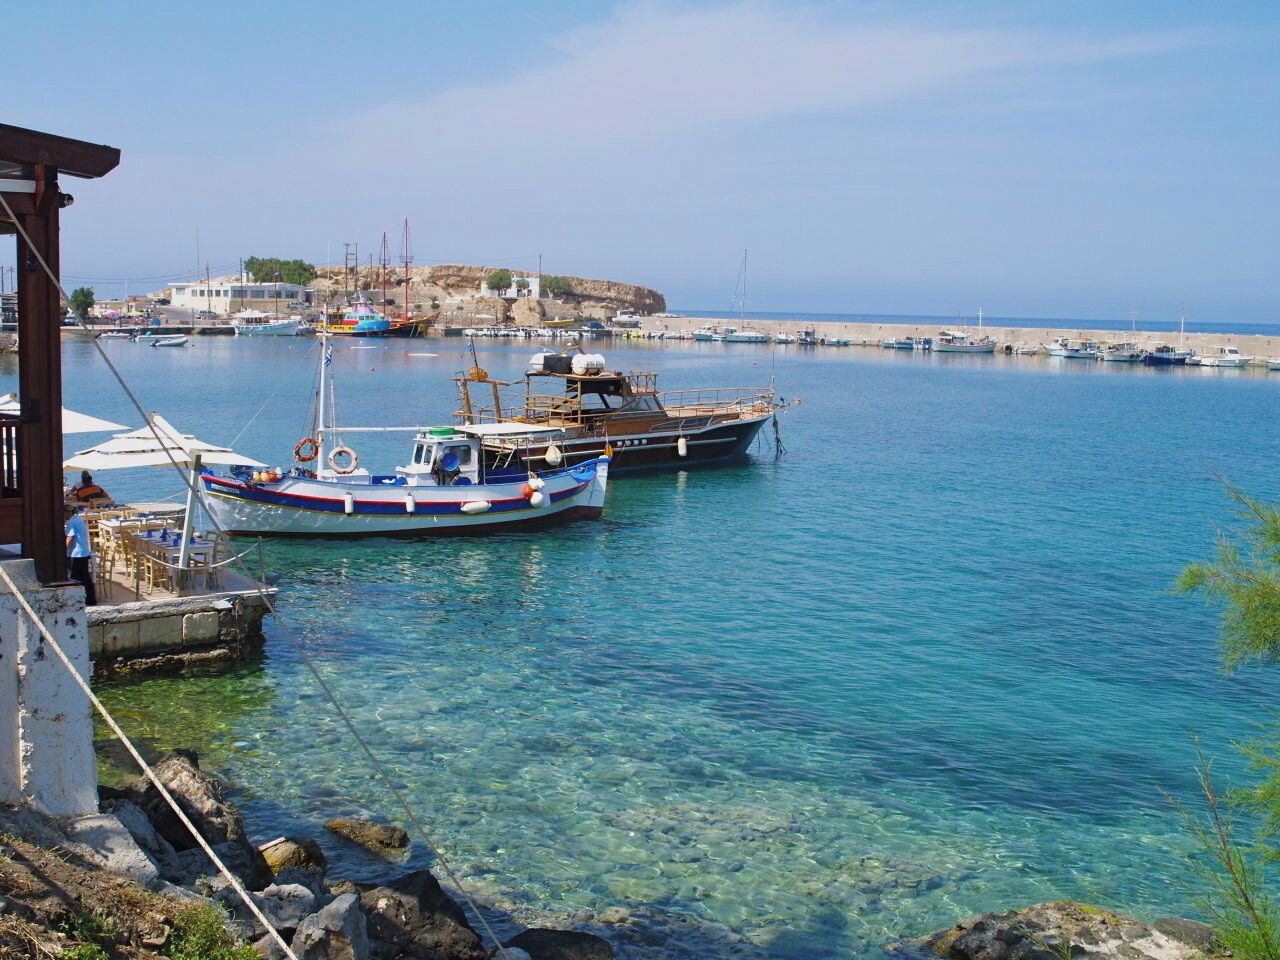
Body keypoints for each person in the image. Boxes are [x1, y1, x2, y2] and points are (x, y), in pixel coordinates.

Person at [64, 504, 97, 606]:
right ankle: (90, 599)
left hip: (76, 553)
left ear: (68, 512)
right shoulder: (79, 519)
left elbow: (70, 537)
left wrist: (63, 549)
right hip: (84, 552)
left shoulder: (71, 522)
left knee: (75, 577)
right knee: (85, 577)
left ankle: (78, 600)